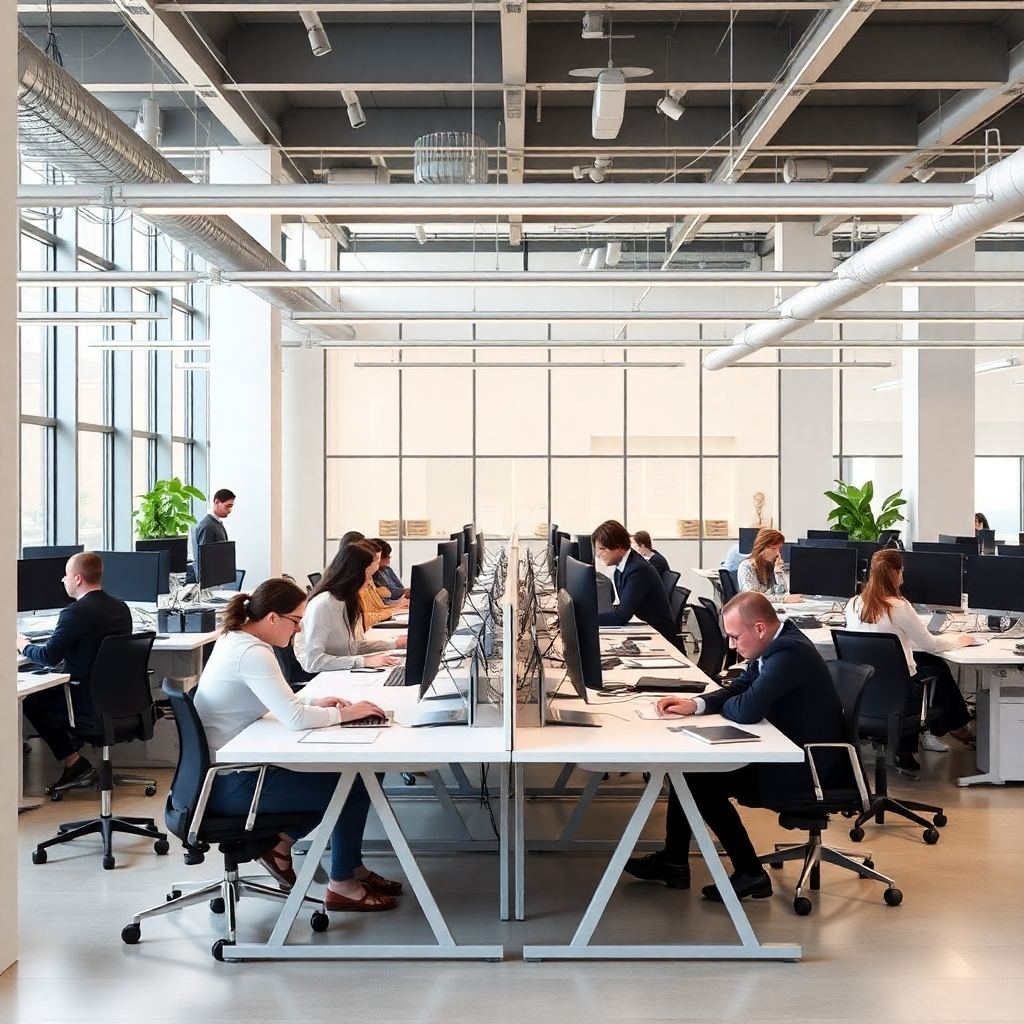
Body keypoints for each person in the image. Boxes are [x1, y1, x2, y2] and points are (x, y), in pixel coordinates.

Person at [193, 578, 402, 911]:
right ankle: (342, 884)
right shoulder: (251, 652)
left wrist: (318, 701)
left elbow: (275, 701)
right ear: (273, 618)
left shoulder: (238, 639)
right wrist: (347, 714)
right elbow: (294, 719)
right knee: (357, 781)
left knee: (360, 774)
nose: (299, 628)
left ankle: (320, 857)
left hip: (223, 775)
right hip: (235, 783)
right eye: (295, 620)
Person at [624, 592, 843, 900]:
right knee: (688, 772)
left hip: (808, 767)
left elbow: (745, 709)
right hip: (785, 747)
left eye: (733, 637)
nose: (730, 645)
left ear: (759, 629)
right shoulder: (774, 645)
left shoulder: (790, 652)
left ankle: (751, 873)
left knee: (699, 782)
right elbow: (741, 687)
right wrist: (696, 705)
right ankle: (674, 860)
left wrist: (734, 703)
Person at [845, 548, 975, 769]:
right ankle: (955, 728)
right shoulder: (899, 606)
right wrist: (960, 640)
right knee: (938, 672)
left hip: (863, 691)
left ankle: (948, 730)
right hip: (900, 693)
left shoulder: (854, 604)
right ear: (896, 574)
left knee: (932, 664)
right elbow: (930, 644)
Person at [18, 552, 132, 791]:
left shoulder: (75, 613)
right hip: (120, 700)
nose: (62, 580)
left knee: (30, 702)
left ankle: (73, 761)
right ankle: (75, 753)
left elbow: (48, 656)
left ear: (78, 579)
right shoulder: (121, 607)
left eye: (66, 575)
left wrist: (22, 645)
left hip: (86, 702)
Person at [300, 540, 406, 674]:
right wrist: (363, 661)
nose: (369, 583)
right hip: (321, 678)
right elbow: (313, 662)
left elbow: (350, 648)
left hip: (339, 673)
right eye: (368, 576)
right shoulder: (323, 605)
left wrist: (395, 644)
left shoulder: (347, 599)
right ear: (353, 573)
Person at [592, 520, 679, 648]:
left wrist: (587, 620)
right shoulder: (621, 568)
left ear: (619, 549)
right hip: (647, 632)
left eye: (602, 549)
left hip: (661, 639)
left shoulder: (638, 570)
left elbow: (621, 616)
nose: (598, 555)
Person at [737, 529, 801, 604]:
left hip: (773, 609)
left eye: (779, 548)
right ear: (761, 548)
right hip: (754, 611)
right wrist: (782, 599)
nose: (777, 553)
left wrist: (778, 571)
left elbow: (786, 591)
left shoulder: (772, 564)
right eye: (773, 549)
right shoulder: (746, 567)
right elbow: (753, 597)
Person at [359, 539, 410, 626]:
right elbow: (366, 619)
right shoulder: (359, 586)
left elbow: (379, 608)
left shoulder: (369, 579)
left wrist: (397, 606)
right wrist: (397, 607)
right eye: (377, 560)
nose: (377, 564)